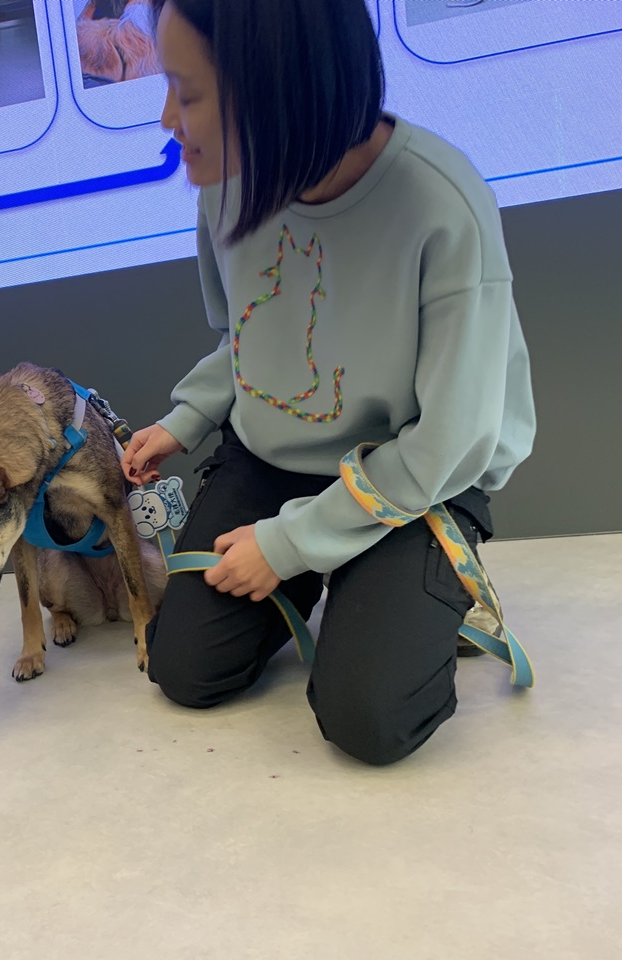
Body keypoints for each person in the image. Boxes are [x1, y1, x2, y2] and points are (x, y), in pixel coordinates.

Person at [121, 0, 535, 766]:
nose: (167, 119)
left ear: (278, 86)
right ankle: (348, 576)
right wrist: (188, 417)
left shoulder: (442, 206)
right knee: (185, 669)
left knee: (369, 718)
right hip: (273, 459)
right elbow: (246, 339)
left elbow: (451, 440)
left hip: (415, 478)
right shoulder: (225, 184)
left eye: (189, 91)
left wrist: (288, 545)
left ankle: (417, 582)